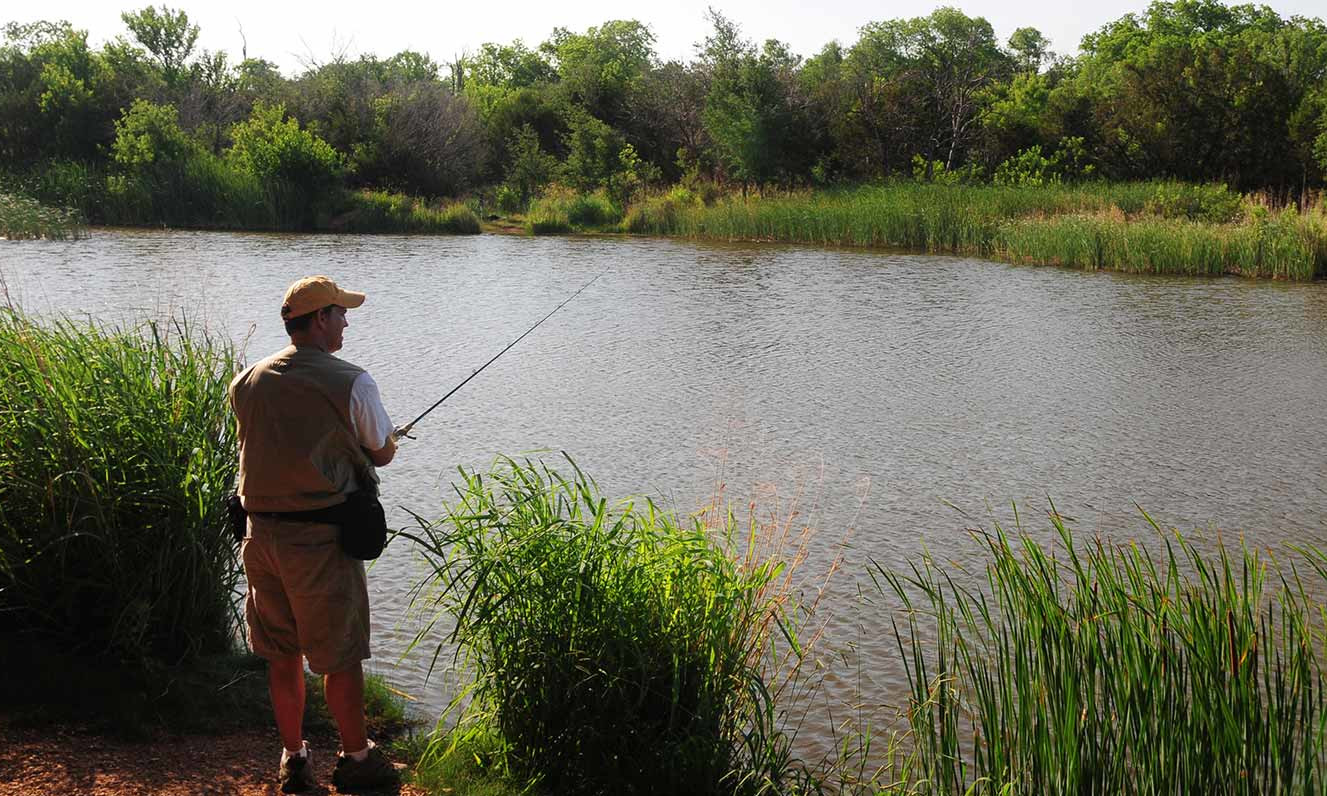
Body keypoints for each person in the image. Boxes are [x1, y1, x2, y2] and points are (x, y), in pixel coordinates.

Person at [229, 275, 401, 793]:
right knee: (340, 656)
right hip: (321, 543)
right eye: (340, 313)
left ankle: (294, 761)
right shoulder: (352, 381)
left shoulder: (247, 380)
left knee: (281, 653)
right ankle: (357, 761)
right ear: (320, 319)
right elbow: (382, 453)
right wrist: (387, 442)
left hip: (259, 537)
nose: (346, 321)